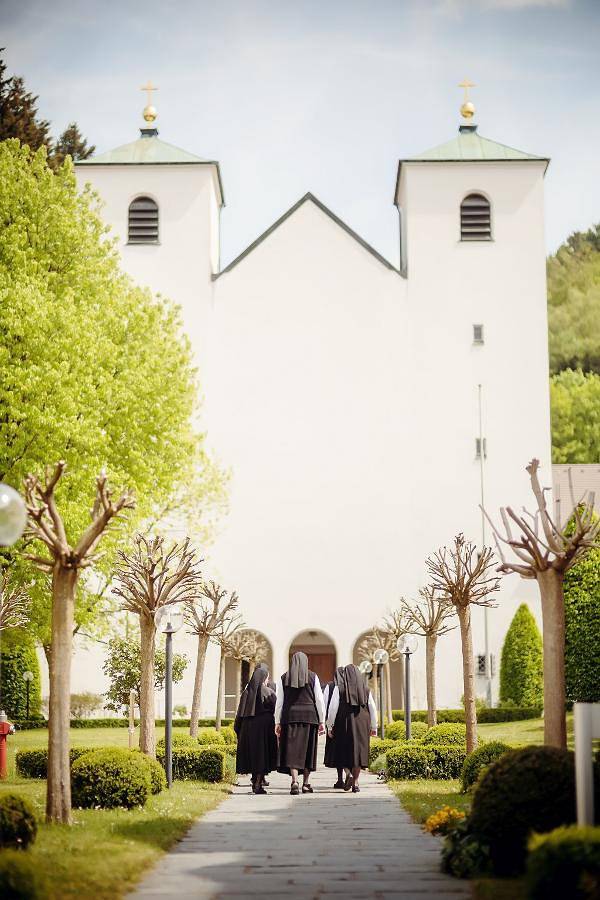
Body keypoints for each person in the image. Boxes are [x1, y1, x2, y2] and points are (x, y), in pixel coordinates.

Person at [275, 651, 326, 795]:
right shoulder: (313, 677)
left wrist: (277, 721)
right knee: (308, 750)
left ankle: (294, 781)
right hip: (310, 717)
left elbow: (280, 702)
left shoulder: (283, 677)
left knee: (292, 750)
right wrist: (322, 720)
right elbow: (319, 700)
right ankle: (306, 784)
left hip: (289, 717)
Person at [326, 663, 377, 793]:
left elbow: (333, 708)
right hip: (362, 724)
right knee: (359, 753)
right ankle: (355, 782)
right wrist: (374, 726)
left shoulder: (339, 689)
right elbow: (372, 708)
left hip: (344, 723)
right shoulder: (366, 689)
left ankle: (348, 773)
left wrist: (330, 725)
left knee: (343, 750)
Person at [234, 662, 277, 794]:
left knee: (253, 755)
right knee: (262, 756)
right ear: (264, 678)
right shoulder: (269, 692)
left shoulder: (246, 692)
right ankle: (258, 784)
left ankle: (255, 781)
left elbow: (240, 713)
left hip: (248, 728)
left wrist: (238, 730)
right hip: (264, 728)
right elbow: (275, 710)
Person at [323, 666, 346, 788]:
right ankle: (347, 775)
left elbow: (325, 704)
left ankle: (340, 779)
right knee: (346, 751)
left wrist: (327, 725)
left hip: (334, 723)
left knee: (336, 752)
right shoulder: (349, 687)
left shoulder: (330, 686)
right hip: (347, 723)